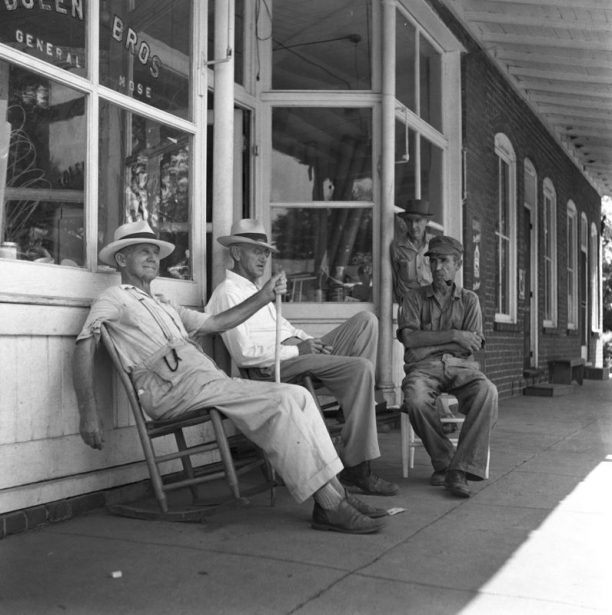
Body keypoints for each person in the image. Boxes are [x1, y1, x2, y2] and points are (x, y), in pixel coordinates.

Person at [72, 220, 389, 534]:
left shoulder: (164, 304)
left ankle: (337, 494)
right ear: (121, 259)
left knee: (298, 396)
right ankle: (330, 505)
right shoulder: (114, 298)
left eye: (155, 252)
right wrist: (87, 412)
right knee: (281, 401)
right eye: (144, 252)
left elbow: (218, 323)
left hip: (204, 380)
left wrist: (263, 296)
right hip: (173, 388)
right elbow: (85, 345)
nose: (153, 258)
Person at [206, 218, 399, 498]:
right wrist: (299, 350)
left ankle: (354, 407)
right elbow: (245, 354)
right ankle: (358, 467)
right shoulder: (228, 294)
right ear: (236, 253)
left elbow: (285, 328)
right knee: (361, 369)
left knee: (366, 321)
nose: (264, 257)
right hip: (272, 367)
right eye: (256, 251)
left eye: (266, 252)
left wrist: (309, 341)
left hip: (297, 353)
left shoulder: (257, 290)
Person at [397, 235, 498, 498]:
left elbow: (471, 345)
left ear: (457, 264)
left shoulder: (469, 301)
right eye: (434, 261)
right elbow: (409, 339)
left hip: (463, 368)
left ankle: (459, 468)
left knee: (487, 393)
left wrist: (426, 343)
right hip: (423, 369)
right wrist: (454, 336)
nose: (438, 267)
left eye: (445, 261)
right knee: (416, 399)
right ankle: (447, 463)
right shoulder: (414, 298)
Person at [390, 198, 433, 304]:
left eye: (418, 221)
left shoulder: (435, 245)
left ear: (427, 221)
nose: (413, 226)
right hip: (408, 306)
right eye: (409, 220)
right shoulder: (397, 247)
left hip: (432, 306)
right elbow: (394, 280)